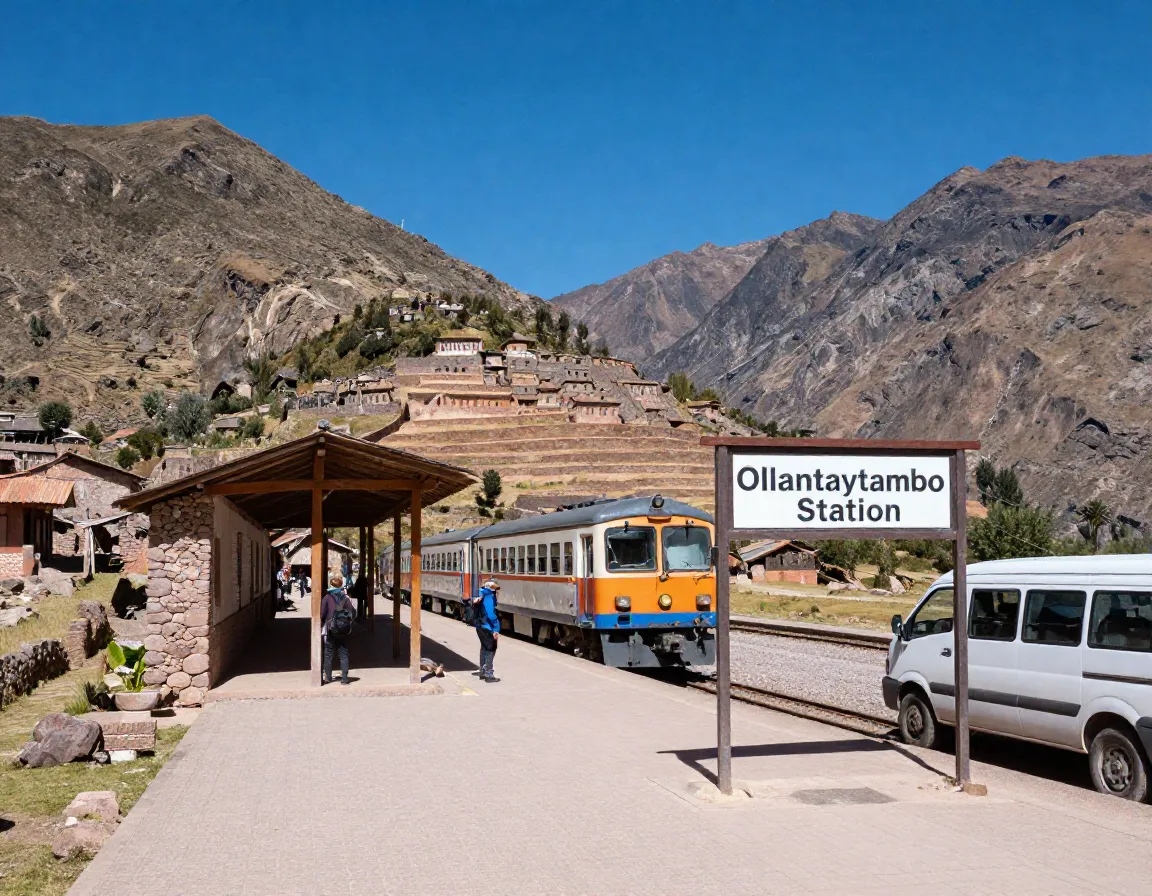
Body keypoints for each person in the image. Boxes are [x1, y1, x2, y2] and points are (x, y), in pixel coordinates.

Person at [321, 573, 356, 685]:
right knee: (343, 654)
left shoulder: (327, 598)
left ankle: (328, 678)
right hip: (343, 630)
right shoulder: (345, 598)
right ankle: (344, 679)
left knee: (328, 653)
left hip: (331, 629)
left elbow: (321, 614)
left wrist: (324, 622)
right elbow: (353, 613)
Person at [475, 578, 501, 683]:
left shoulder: (481, 594)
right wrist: (496, 629)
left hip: (480, 626)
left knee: (484, 648)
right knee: (491, 649)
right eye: (496, 590)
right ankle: (489, 674)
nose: (497, 592)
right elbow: (491, 614)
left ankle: (482, 670)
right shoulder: (489, 597)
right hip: (487, 627)